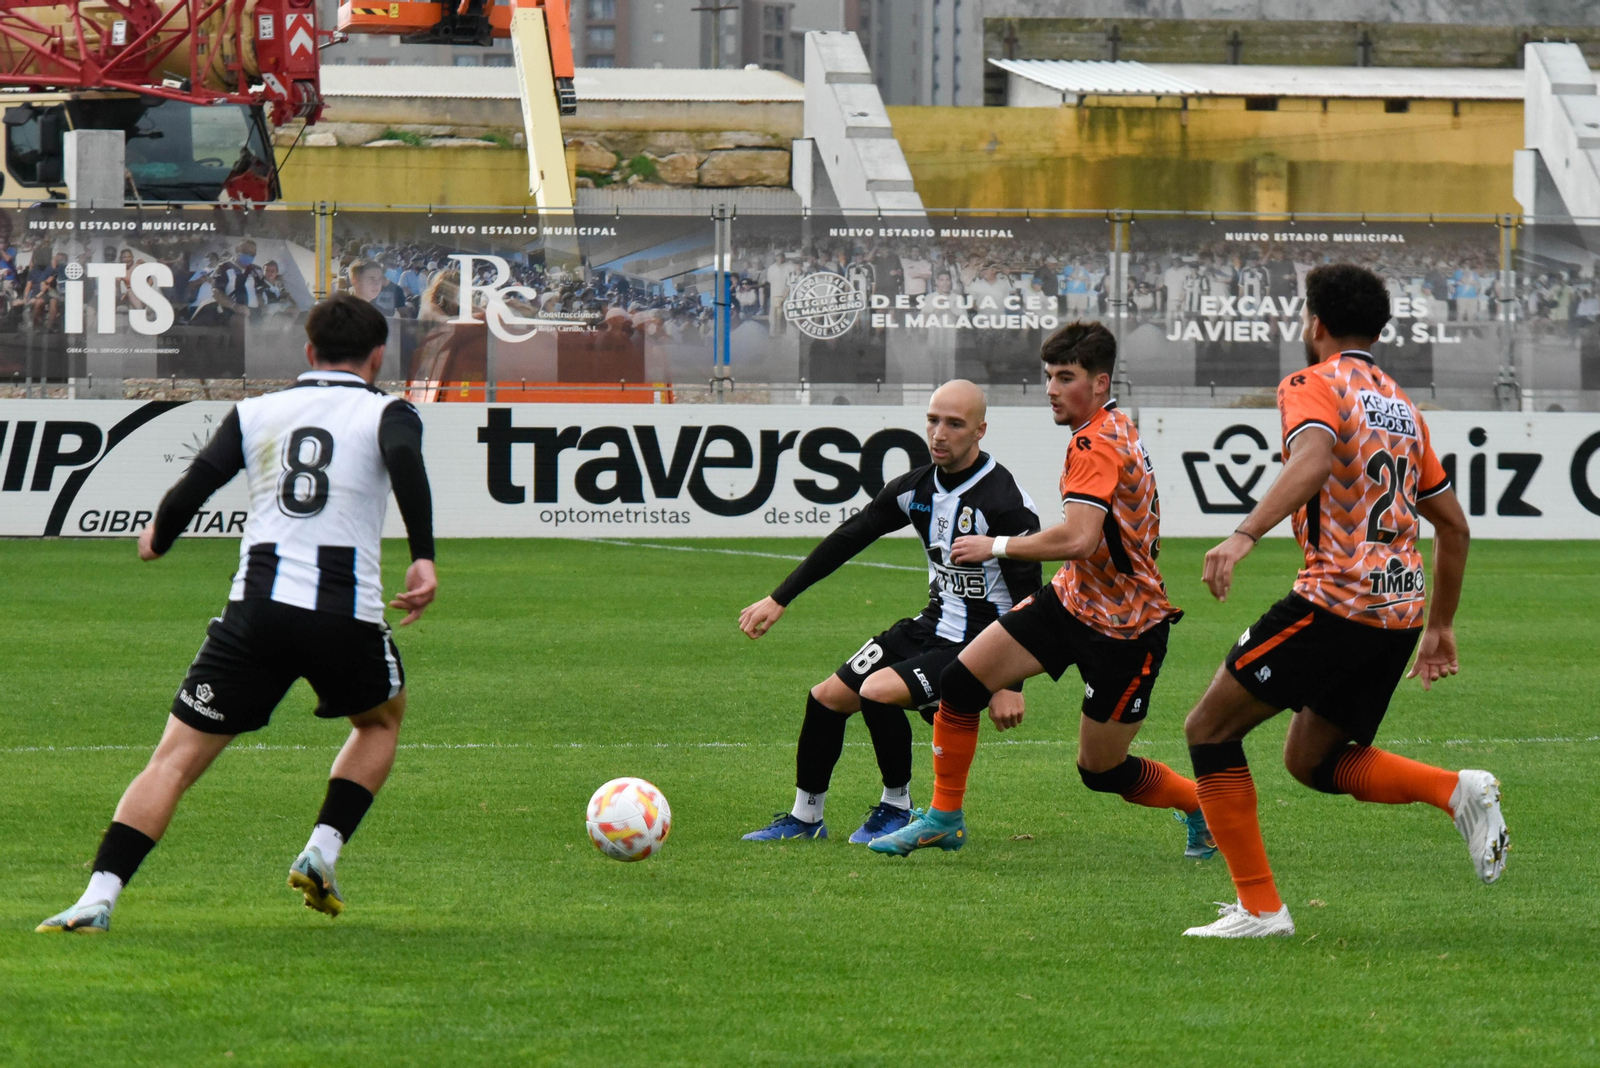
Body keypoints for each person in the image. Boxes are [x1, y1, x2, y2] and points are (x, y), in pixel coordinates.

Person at [37, 295, 439, 934]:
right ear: (377, 356)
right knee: (380, 722)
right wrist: (423, 557)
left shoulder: (256, 412)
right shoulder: (390, 410)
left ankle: (98, 895)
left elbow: (200, 478)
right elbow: (406, 461)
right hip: (344, 614)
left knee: (171, 760)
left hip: (255, 613)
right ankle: (323, 851)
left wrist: (159, 537)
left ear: (308, 352)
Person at [1178, 263, 1505, 940]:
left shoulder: (1312, 383)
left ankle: (1262, 910)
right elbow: (1455, 526)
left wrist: (1242, 534)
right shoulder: (1404, 408)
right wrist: (1439, 626)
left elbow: (1316, 461)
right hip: (1397, 612)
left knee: (1208, 730)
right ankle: (1456, 790)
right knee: (1312, 761)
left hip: (1336, 600)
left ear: (1316, 324)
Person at [868, 321, 1210, 859]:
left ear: (1100, 383)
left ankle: (1200, 806)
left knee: (1101, 770)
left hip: (1125, 628)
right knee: (960, 683)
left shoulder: (1097, 441)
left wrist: (996, 545)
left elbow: (1078, 537)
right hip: (1071, 601)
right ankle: (943, 817)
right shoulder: (1108, 425)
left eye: (1065, 377)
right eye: (1049, 375)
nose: (1051, 388)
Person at [738, 381, 1041, 844]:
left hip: (981, 644)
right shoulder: (916, 488)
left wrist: (1008, 682)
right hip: (932, 624)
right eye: (932, 420)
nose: (938, 433)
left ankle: (897, 808)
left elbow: (1029, 599)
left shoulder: (1004, 502)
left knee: (877, 692)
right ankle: (805, 819)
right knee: (826, 699)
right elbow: (849, 537)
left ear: (980, 430)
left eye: (954, 424)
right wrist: (780, 598)